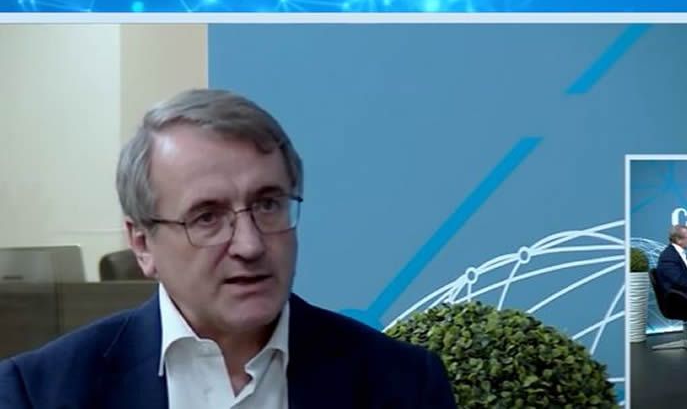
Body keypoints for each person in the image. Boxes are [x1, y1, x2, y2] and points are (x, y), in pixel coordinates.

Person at [0, 89, 457, 408]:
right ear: (142, 243)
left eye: (268, 205)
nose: (250, 244)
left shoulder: (403, 384)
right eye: (207, 217)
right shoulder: (39, 393)